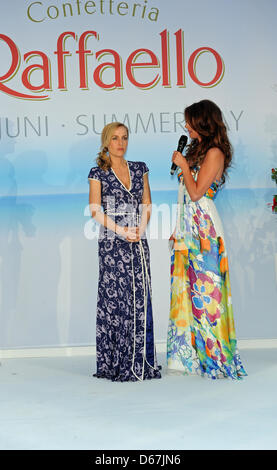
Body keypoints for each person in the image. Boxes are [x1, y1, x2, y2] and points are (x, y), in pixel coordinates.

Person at [167, 100, 247, 380]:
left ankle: (216, 357)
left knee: (207, 294)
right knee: (189, 292)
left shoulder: (214, 152)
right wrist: (178, 228)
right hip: (189, 227)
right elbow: (185, 196)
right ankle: (193, 357)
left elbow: (198, 192)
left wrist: (184, 167)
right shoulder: (199, 150)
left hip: (205, 231)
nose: (186, 127)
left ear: (202, 122)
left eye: (189, 121)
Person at [88, 122, 161, 382]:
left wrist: (139, 230)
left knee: (139, 297)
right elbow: (95, 210)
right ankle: (115, 362)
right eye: (116, 138)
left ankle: (140, 361)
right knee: (115, 299)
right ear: (106, 142)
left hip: (137, 241)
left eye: (125, 138)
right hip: (111, 242)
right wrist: (121, 231)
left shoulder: (140, 168)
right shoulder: (98, 172)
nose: (121, 143)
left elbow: (147, 203)